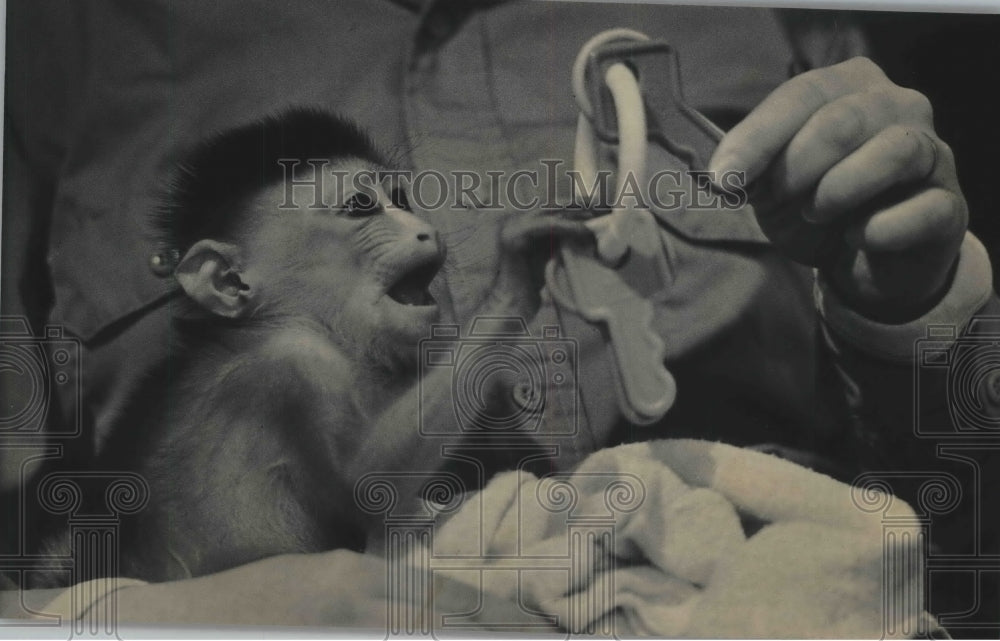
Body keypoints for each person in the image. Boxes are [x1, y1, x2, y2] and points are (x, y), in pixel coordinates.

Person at [2, 0, 996, 631]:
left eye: (402, 205)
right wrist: (149, 619)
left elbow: (961, 505)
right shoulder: (59, 46)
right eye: (362, 210)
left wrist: (916, 302)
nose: (426, 237)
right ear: (219, 282)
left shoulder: (778, 20)